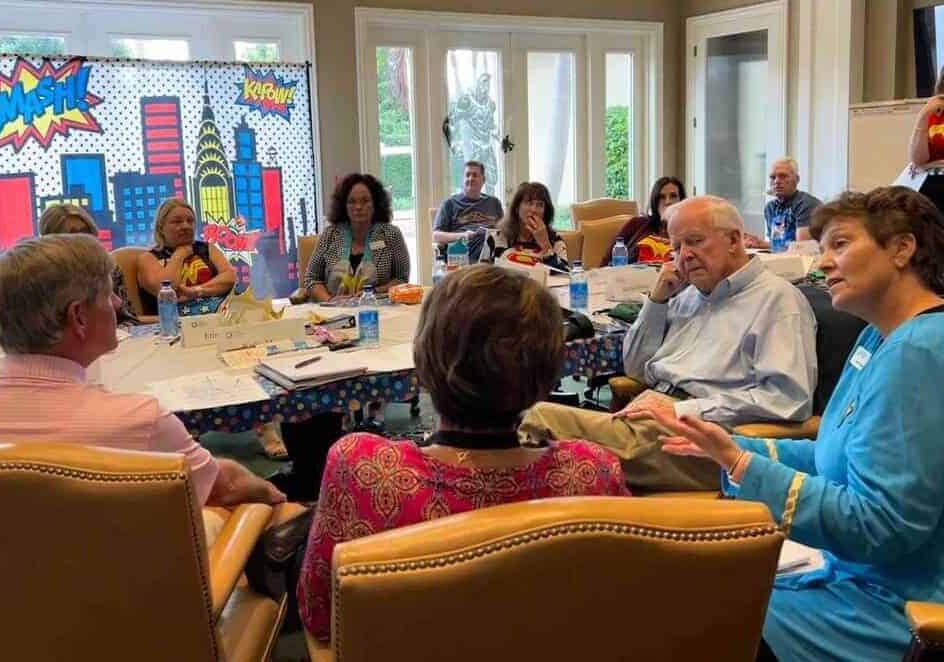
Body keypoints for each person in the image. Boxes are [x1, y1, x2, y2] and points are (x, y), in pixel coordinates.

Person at [629, 186, 944, 662]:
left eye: (840, 245)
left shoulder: (919, 353)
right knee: (675, 592)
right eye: (823, 250)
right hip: (851, 580)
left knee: (672, 611)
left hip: (892, 609)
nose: (822, 265)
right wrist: (728, 448)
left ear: (902, 249)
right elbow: (827, 456)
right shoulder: (876, 340)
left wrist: (743, 465)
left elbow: (881, 526)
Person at [297, 265, 630, 641]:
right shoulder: (592, 473)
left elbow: (320, 616)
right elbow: (618, 607)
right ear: (548, 369)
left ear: (425, 358)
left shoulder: (361, 467)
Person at [0, 234, 284, 511]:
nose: (119, 306)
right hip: (123, 593)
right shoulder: (139, 421)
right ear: (78, 317)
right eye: (108, 296)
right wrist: (275, 497)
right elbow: (224, 488)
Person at [521, 196, 817, 492]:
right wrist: (657, 300)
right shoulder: (690, 294)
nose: (684, 255)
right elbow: (636, 369)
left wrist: (685, 409)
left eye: (695, 241)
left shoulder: (777, 300)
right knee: (530, 444)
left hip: (701, 440)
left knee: (533, 421)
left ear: (734, 239)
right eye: (677, 247)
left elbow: (787, 399)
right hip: (648, 420)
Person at [304, 173, 410, 302]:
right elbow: (312, 279)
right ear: (344, 206)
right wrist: (330, 300)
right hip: (332, 312)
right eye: (352, 202)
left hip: (378, 309)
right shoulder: (330, 234)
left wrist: (372, 293)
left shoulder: (391, 235)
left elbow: (401, 279)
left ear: (375, 203)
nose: (358, 207)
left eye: (365, 201)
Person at [38, 203, 138, 326]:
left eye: (85, 231)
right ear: (52, 239)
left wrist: (116, 334)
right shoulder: (42, 278)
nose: (83, 238)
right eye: (72, 234)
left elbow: (129, 318)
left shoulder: (109, 270)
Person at [136, 198, 236, 314]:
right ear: (161, 227)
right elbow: (166, 289)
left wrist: (196, 291)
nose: (186, 226)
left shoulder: (207, 248)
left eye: (190, 221)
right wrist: (180, 254)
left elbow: (230, 278)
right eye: (177, 222)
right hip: (177, 317)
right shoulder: (147, 258)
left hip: (221, 307)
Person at [479, 181, 569, 272]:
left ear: (546, 212)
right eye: (529, 203)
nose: (534, 210)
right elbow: (481, 275)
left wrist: (546, 245)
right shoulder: (496, 238)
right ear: (517, 208)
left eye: (540, 205)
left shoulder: (555, 239)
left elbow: (565, 274)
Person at [602, 176, 686, 265]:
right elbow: (607, 261)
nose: (668, 201)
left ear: (681, 200)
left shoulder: (687, 231)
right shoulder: (637, 224)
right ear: (655, 201)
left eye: (673, 196)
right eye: (661, 197)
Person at [432, 160, 504, 261]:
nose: (470, 178)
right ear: (463, 179)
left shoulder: (494, 203)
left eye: (475, 175)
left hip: (492, 248)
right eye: (467, 175)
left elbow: (504, 230)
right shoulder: (449, 204)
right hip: (464, 251)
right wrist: (464, 235)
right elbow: (436, 236)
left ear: (483, 180)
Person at [744, 158, 822, 249]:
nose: (776, 181)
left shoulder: (806, 204)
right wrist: (760, 244)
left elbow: (802, 248)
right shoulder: (770, 208)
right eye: (773, 177)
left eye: (783, 176)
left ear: (797, 179)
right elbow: (778, 245)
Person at [908, 67, 944, 213]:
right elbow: (918, 160)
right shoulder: (936, 111)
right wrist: (924, 115)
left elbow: (922, 165)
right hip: (930, 185)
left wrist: (932, 164)